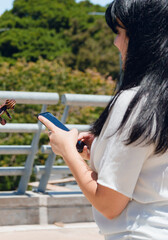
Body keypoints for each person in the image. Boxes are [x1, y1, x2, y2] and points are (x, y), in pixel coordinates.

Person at [38, 0, 168, 239]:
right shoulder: (159, 102)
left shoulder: (134, 102)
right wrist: (100, 149)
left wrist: (67, 150)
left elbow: (109, 204)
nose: (115, 41)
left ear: (142, 37)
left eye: (119, 32)